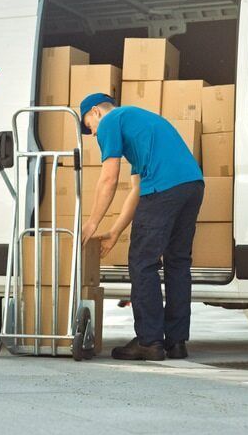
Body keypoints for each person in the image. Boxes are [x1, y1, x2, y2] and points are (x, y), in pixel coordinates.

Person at [78, 93, 204, 361]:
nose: (91, 134)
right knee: (178, 262)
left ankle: (149, 341)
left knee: (142, 262)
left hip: (165, 187)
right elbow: (136, 190)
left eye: (88, 125)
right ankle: (176, 341)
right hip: (192, 185)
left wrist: (91, 222)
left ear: (96, 112)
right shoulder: (138, 122)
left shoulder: (111, 121)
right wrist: (115, 232)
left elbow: (108, 179)